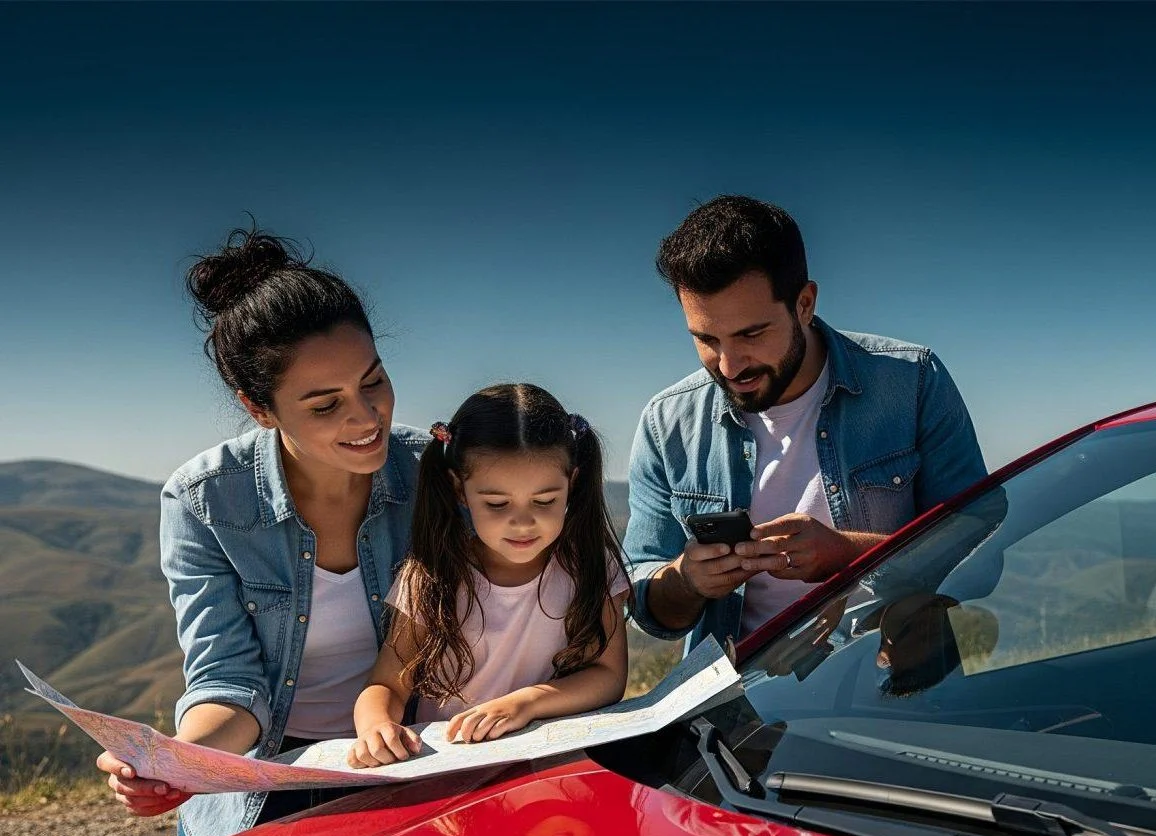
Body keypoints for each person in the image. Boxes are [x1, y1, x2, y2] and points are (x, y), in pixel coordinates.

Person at [96, 226, 427, 836]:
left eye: (374, 381)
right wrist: (173, 761)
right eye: (326, 406)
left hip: (416, 759)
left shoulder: (433, 474)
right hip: (273, 780)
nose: (366, 417)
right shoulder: (205, 500)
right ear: (260, 409)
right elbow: (227, 679)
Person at [624, 195, 989, 654]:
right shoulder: (667, 424)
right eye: (706, 339)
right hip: (735, 710)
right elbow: (645, 604)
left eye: (751, 335)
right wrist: (687, 580)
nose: (730, 365)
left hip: (899, 693)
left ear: (804, 303)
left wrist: (852, 556)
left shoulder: (913, 382)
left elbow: (982, 551)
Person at [347, 383, 633, 767]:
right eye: (497, 504)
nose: (523, 522)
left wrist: (526, 703)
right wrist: (376, 726)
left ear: (573, 482)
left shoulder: (590, 568)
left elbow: (609, 675)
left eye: (545, 501)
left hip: (545, 770)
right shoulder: (432, 576)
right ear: (460, 491)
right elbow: (386, 684)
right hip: (447, 772)